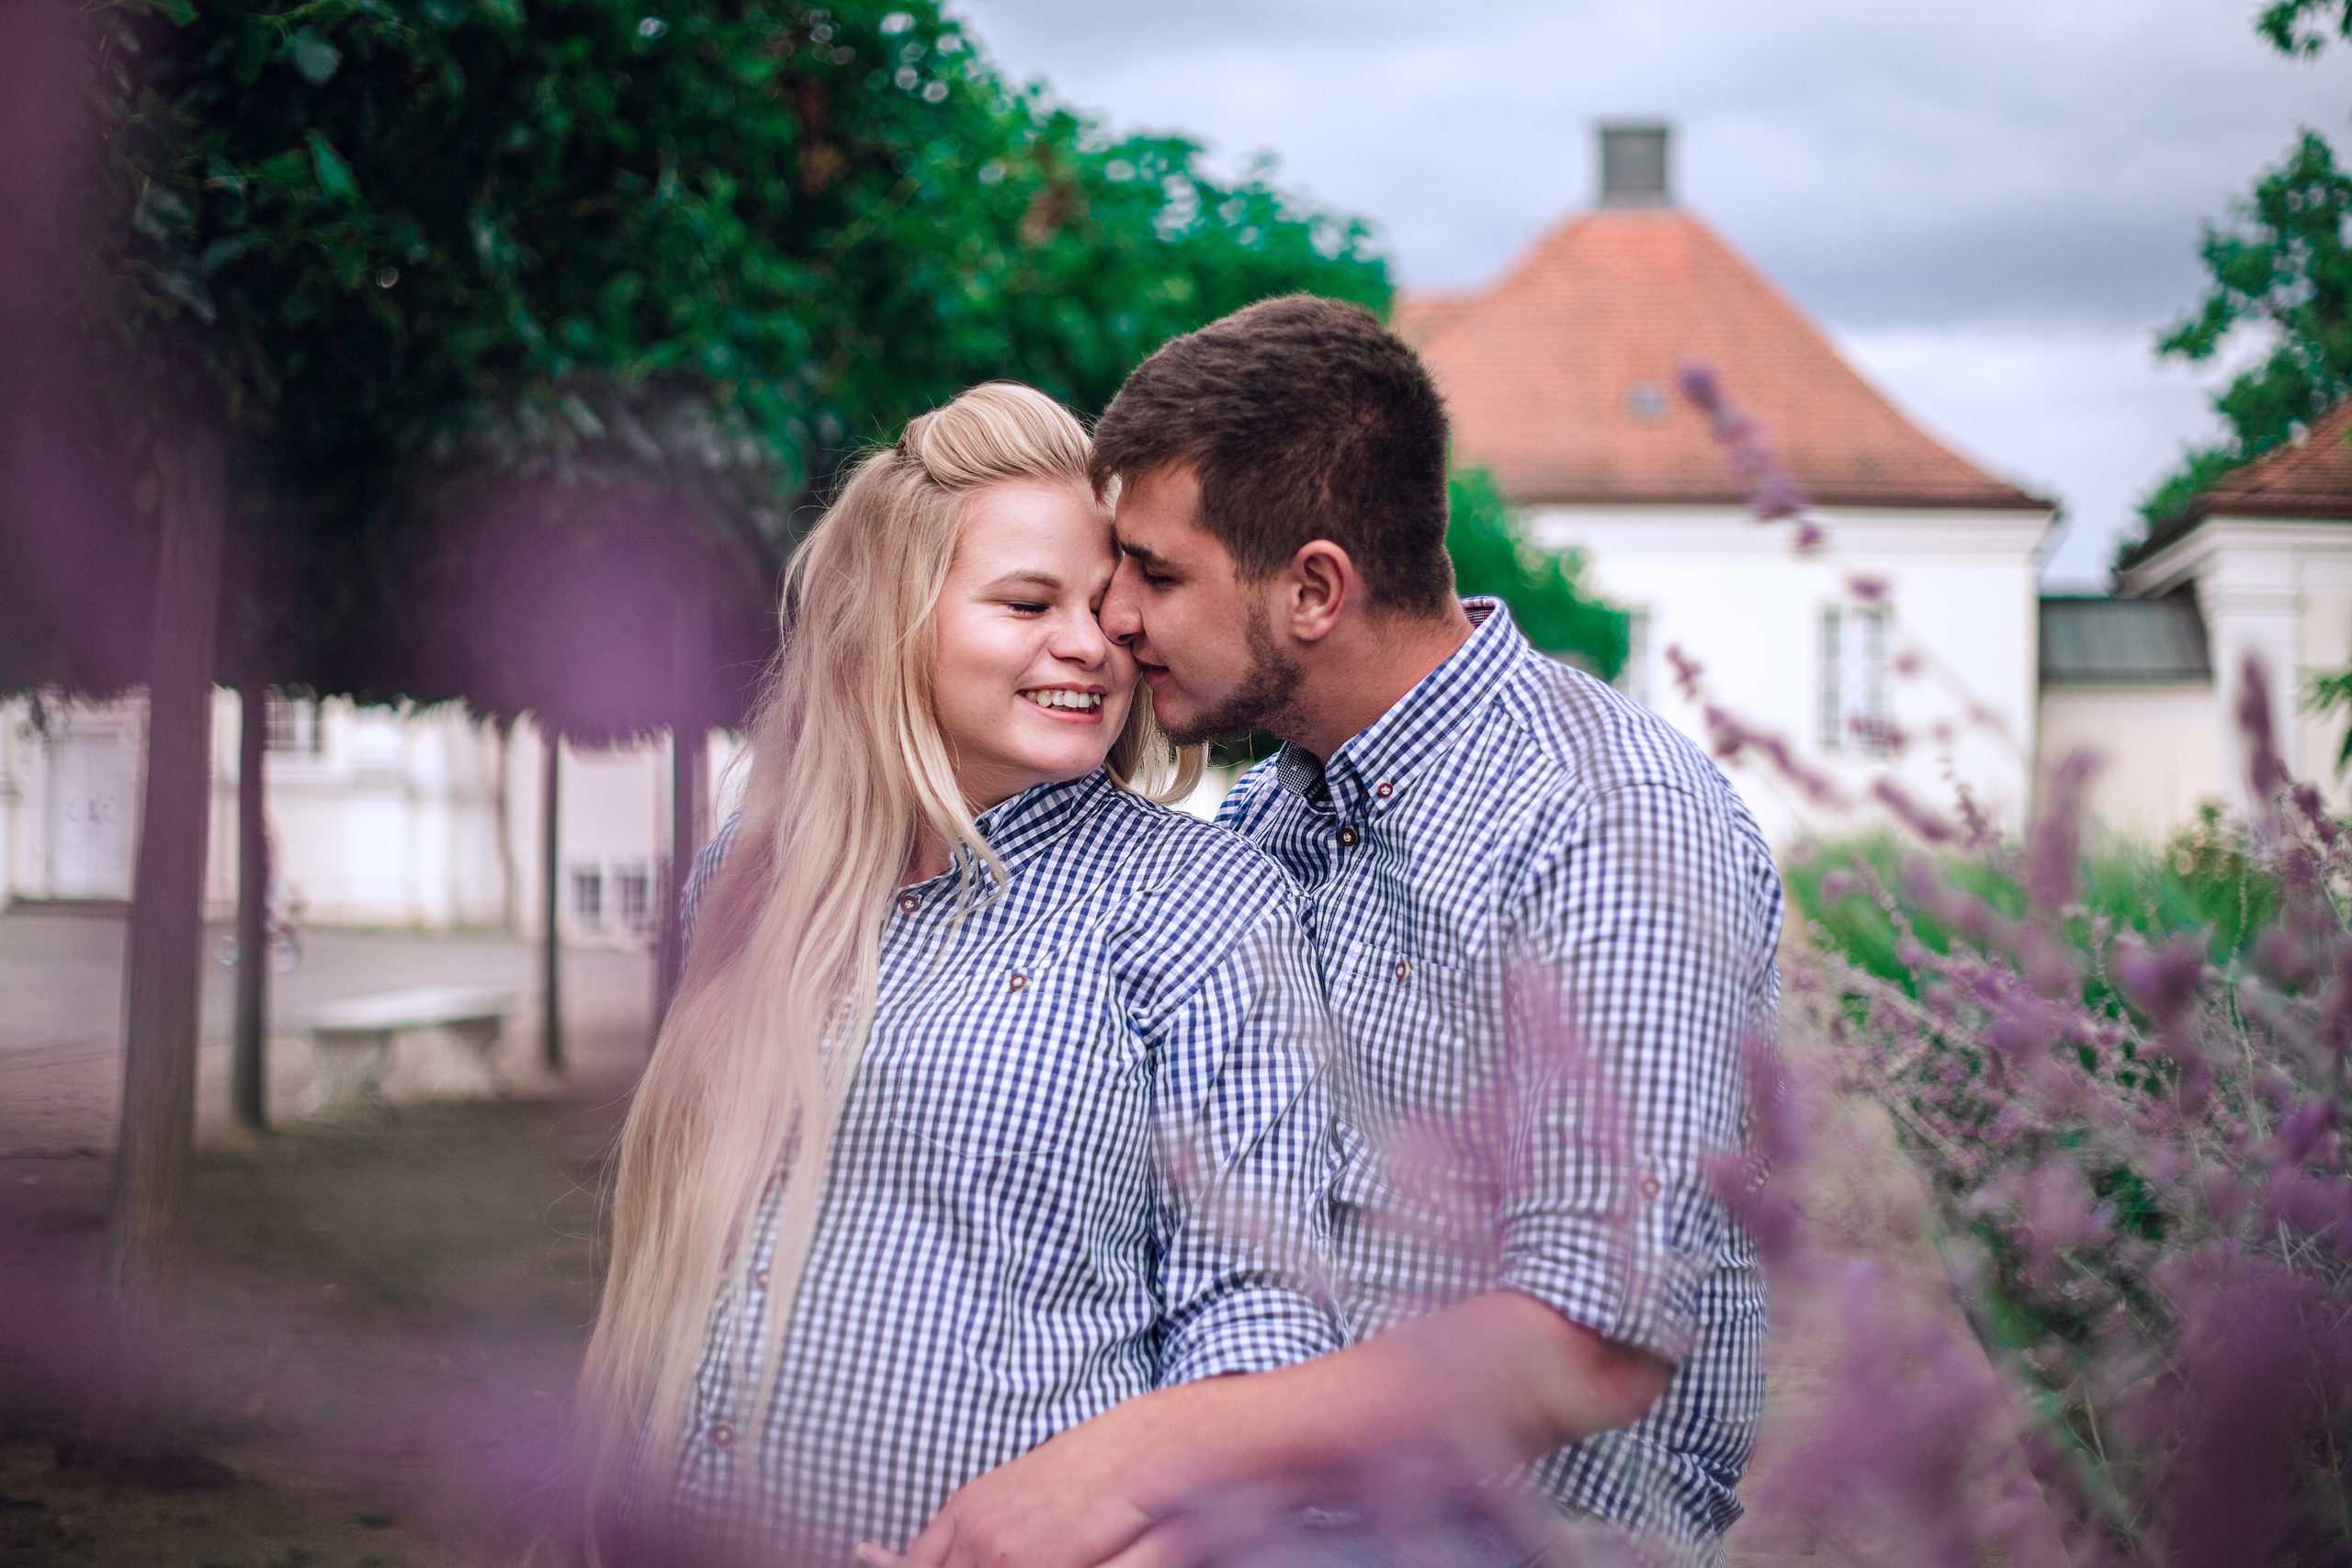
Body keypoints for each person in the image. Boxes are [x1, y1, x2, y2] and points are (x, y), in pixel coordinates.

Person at [894, 298, 1784, 1568]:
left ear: (1314, 588)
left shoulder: (1606, 823)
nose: (1112, 625)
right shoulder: (1270, 815)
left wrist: (1146, 1453)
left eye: (1152, 574)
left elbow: (1593, 1338)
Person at [563, 382, 1339, 1567]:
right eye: (1027, 602)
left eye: (1108, 607)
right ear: (894, 622)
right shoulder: (748, 877)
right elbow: (689, 1257)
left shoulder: (1198, 903)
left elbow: (1261, 1311)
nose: (1090, 645)